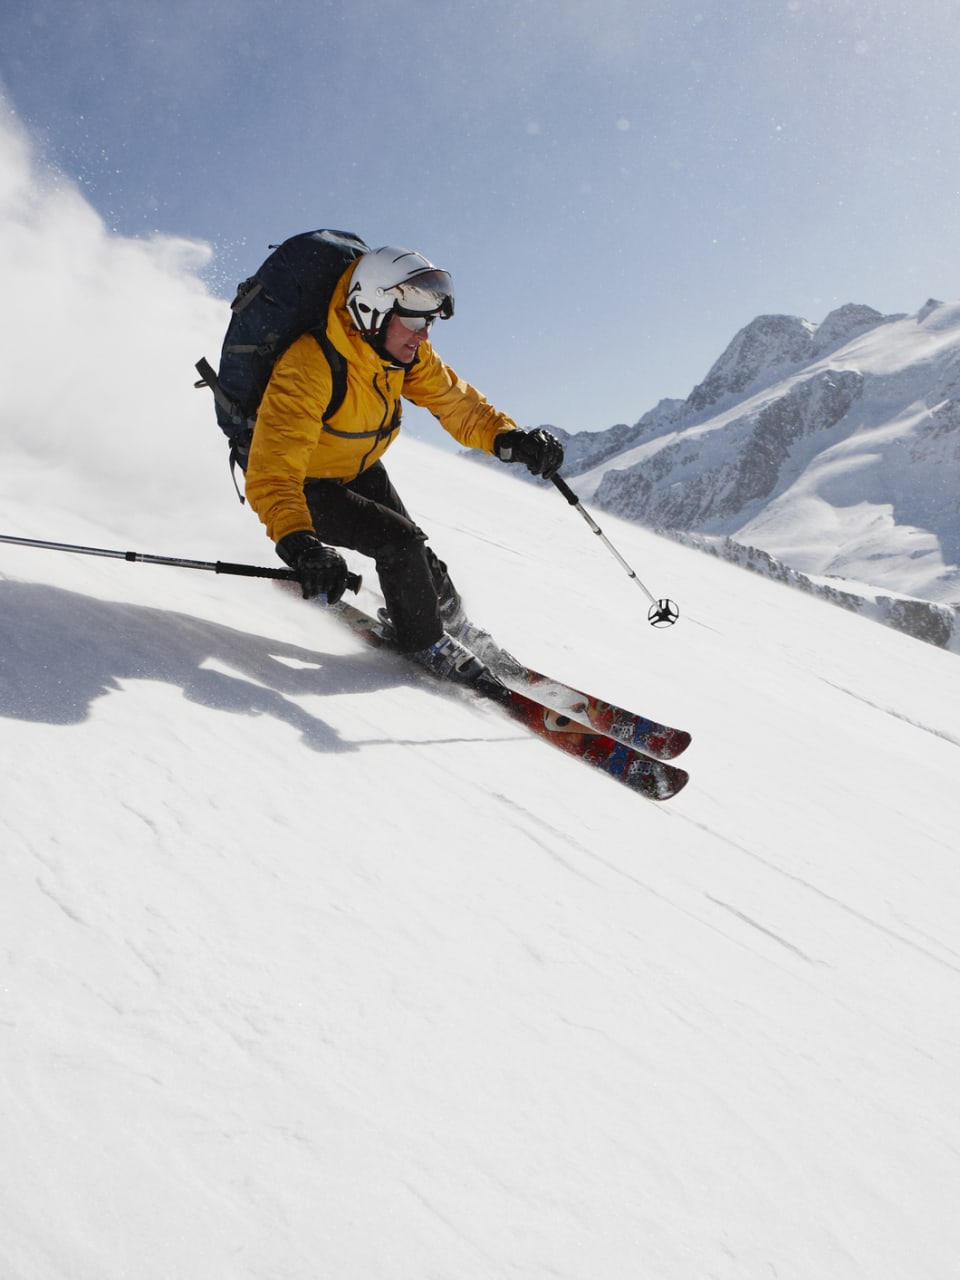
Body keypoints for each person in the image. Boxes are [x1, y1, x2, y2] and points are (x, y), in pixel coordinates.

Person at [244, 244, 564, 686]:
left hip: (357, 467)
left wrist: (509, 439)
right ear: (371, 312)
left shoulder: (398, 354)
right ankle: (426, 643)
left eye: (429, 322)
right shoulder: (309, 364)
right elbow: (273, 471)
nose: (423, 335)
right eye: (414, 321)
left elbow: (456, 403)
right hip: (303, 484)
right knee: (400, 544)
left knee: (420, 558)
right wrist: (302, 545)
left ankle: (456, 625)